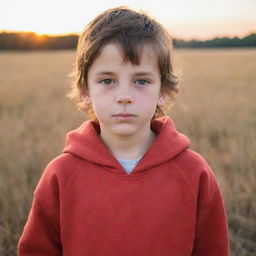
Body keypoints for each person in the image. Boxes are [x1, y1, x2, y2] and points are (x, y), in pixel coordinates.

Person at [18, 6, 230, 256]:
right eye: (107, 81)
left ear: (163, 91)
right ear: (86, 91)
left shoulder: (194, 173)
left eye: (141, 81)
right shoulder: (61, 174)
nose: (124, 97)